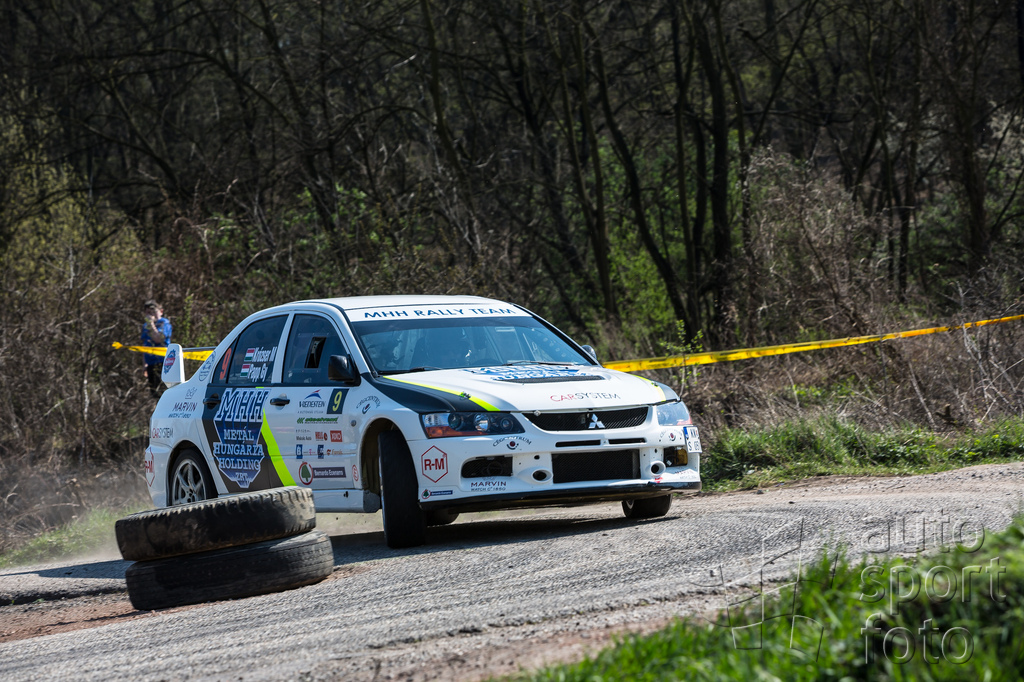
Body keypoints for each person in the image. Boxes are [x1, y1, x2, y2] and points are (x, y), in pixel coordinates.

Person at [141, 300, 172, 395]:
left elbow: (158, 339)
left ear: (161, 311)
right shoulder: (146, 326)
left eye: (153, 312)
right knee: (155, 393)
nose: (151, 315)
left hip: (163, 362)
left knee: (164, 392)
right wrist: (145, 364)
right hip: (151, 363)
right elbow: (145, 345)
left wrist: (151, 324)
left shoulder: (164, 323)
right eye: (148, 313)